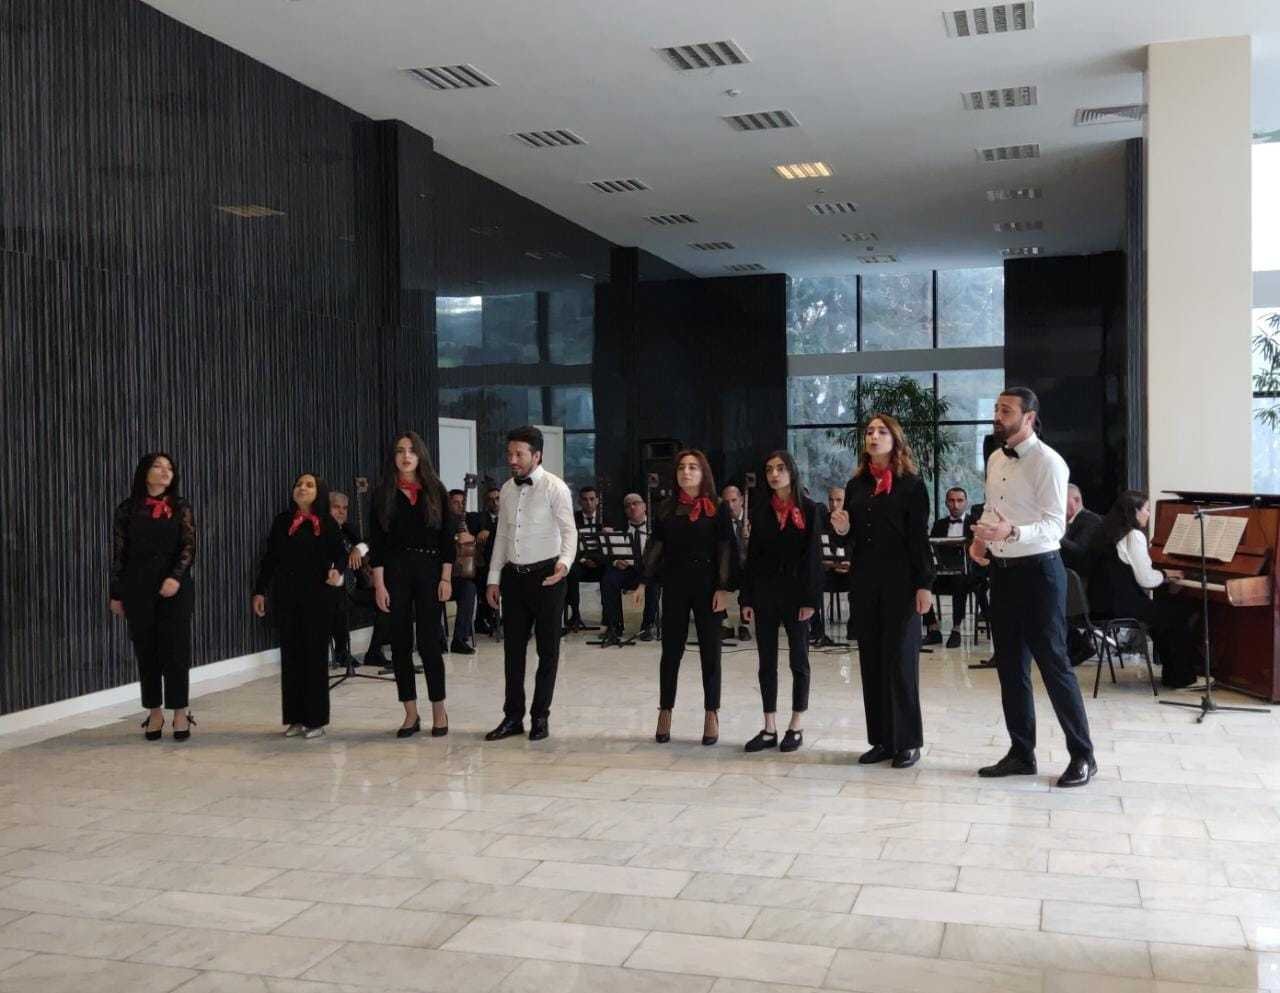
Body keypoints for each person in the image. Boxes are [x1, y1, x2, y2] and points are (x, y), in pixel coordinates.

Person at [969, 387, 1096, 788]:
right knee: (1010, 666)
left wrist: (1013, 531)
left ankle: (1084, 756)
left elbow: (1055, 527)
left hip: (1040, 572)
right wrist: (982, 537)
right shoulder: (995, 457)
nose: (997, 415)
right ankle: (1021, 753)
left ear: (1028, 418)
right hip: (1003, 572)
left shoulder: (1049, 462)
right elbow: (993, 508)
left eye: (1006, 410)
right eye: (996, 408)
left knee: (1054, 665)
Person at [831, 415, 933, 770]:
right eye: (870, 432)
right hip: (865, 583)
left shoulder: (911, 485)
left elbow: (919, 539)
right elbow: (851, 539)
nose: (874, 436)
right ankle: (882, 740)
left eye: (882, 431)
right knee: (871, 661)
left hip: (902, 584)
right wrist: (843, 530)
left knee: (900, 662)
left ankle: (907, 742)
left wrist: (925, 584)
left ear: (895, 440)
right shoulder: (856, 485)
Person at [484, 426, 578, 742]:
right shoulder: (507, 489)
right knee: (513, 652)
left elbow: (570, 532)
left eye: (519, 454)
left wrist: (564, 564)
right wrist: (493, 578)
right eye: (509, 453)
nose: (512, 459)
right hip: (514, 578)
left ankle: (540, 717)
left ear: (536, 455)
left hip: (548, 577)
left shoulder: (555, 488)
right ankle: (513, 717)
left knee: (547, 651)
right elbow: (501, 536)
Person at [635, 450, 735, 747]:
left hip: (708, 586)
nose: (686, 472)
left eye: (693, 467)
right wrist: (643, 581)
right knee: (671, 651)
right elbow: (656, 546)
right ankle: (665, 710)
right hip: (675, 585)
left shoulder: (718, 507)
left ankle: (711, 712)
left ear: (704, 473)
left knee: (711, 652)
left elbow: (726, 548)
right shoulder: (667, 507)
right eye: (681, 467)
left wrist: (724, 588)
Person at [369, 432, 457, 739]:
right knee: (400, 645)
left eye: (411, 450)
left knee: (430, 643)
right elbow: (377, 544)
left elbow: (447, 538)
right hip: (395, 572)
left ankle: (439, 710)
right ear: (393, 457)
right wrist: (379, 586)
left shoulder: (436, 490)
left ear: (421, 455)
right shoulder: (382, 493)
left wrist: (446, 577)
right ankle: (410, 713)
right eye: (400, 451)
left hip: (430, 570)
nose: (406, 456)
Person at [740, 451, 823, 754]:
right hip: (765, 595)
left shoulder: (810, 509)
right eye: (769, 469)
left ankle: (796, 724)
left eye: (780, 468)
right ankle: (769, 727)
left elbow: (814, 558)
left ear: (792, 471)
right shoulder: (761, 510)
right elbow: (753, 558)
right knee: (766, 662)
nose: (774, 474)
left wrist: (811, 600)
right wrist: (747, 598)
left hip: (797, 597)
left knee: (798, 660)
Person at [110, 453, 197, 741]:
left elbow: (188, 547)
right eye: (158, 466)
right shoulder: (127, 509)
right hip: (137, 588)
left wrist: (175, 577)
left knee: (176, 650)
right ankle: (154, 712)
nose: (165, 471)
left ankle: (180, 712)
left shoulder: (180, 507)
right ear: (144, 472)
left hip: (175, 588)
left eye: (169, 467)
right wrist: (116, 593)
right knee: (146, 651)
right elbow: (120, 555)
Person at [252, 473, 346, 739]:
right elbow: (270, 558)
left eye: (309, 485)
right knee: (291, 658)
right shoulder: (282, 521)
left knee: (314, 658)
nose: (302, 488)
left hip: (317, 598)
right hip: (287, 598)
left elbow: (340, 555)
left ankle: (315, 720)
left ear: (319, 492)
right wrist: (260, 590)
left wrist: (337, 570)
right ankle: (295, 718)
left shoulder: (327, 522)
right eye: (298, 484)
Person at [1088, 490, 1201, 688]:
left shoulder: (1103, 533)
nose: (1149, 514)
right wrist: (1166, 574)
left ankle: (1173, 672)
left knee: (1164, 611)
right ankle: (1182, 677)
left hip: (1100, 605)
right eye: (1147, 509)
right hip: (1123, 606)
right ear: (1134, 511)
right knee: (1181, 613)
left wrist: (1163, 574)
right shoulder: (1133, 536)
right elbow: (1146, 579)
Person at [329, 490, 392, 667]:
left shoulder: (348, 528)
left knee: (386, 599)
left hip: (356, 586)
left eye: (345, 508)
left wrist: (358, 549)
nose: (341, 512)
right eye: (336, 507)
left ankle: (374, 652)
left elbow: (367, 543)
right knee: (339, 600)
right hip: (333, 587)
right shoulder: (321, 532)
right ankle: (341, 653)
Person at [922, 486, 986, 649]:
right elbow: (933, 549)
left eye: (959, 501)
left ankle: (956, 629)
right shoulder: (939, 524)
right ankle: (933, 628)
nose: (955, 505)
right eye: (951, 501)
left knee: (959, 579)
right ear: (946, 503)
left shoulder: (975, 524)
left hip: (968, 575)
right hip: (944, 573)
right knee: (921, 581)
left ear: (966, 503)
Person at [599, 493, 660, 644]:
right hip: (628, 570)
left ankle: (648, 625)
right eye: (627, 505)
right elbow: (607, 554)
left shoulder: (655, 527)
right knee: (608, 579)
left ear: (644, 507)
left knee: (654, 582)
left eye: (635, 503)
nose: (632, 507)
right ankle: (615, 626)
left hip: (649, 570)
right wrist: (616, 561)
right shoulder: (618, 527)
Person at [810, 486, 853, 648]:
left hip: (850, 573)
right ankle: (817, 629)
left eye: (839, 500)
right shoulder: (822, 521)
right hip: (828, 572)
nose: (834, 504)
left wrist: (850, 562)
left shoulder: (854, 521)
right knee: (811, 581)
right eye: (831, 500)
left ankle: (855, 627)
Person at [565, 485, 606, 631]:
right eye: (585, 499)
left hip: (600, 563)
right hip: (580, 562)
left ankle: (608, 615)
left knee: (610, 575)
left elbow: (612, 547)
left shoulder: (606, 518)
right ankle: (575, 615)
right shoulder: (572, 519)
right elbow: (568, 544)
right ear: (579, 501)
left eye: (592, 499)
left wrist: (597, 561)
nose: (588, 503)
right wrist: (583, 560)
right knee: (570, 573)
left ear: (597, 501)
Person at [444, 489, 478, 655]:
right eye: (455, 503)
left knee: (469, 588)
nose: (460, 506)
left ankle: (459, 639)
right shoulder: (441, 520)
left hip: (458, 576)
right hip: (440, 577)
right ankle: (436, 640)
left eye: (462, 503)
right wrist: (456, 538)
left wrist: (473, 538)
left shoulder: (469, 520)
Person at [719, 484, 752, 642]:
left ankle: (744, 624)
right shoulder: (720, 522)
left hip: (749, 566)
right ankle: (725, 624)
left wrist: (751, 538)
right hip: (729, 566)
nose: (730, 506)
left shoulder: (753, 519)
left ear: (742, 500)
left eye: (734, 500)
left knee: (750, 579)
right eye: (726, 502)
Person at [472, 485, 501, 635]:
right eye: (490, 500)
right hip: (485, 564)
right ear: (485, 502)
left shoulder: (509, 516)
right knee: (483, 575)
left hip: (507, 563)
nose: (495, 503)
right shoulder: (478, 518)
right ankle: (485, 618)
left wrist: (491, 531)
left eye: (497, 499)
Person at [1060, 483, 1104, 575]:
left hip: (1080, 577)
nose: (1059, 504)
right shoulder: (1064, 520)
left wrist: (1055, 536)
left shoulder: (1091, 520)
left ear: (1077, 500)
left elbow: (1080, 550)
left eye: (1062, 499)